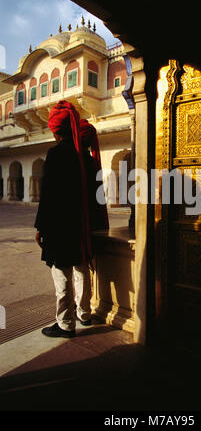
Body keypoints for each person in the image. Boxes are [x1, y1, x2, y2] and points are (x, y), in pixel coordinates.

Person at [35, 100, 108, 338]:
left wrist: (40, 227)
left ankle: (65, 324)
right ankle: (84, 314)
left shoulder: (56, 154)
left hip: (59, 227)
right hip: (82, 225)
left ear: (56, 131)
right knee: (81, 268)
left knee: (61, 272)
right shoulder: (85, 159)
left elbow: (48, 196)